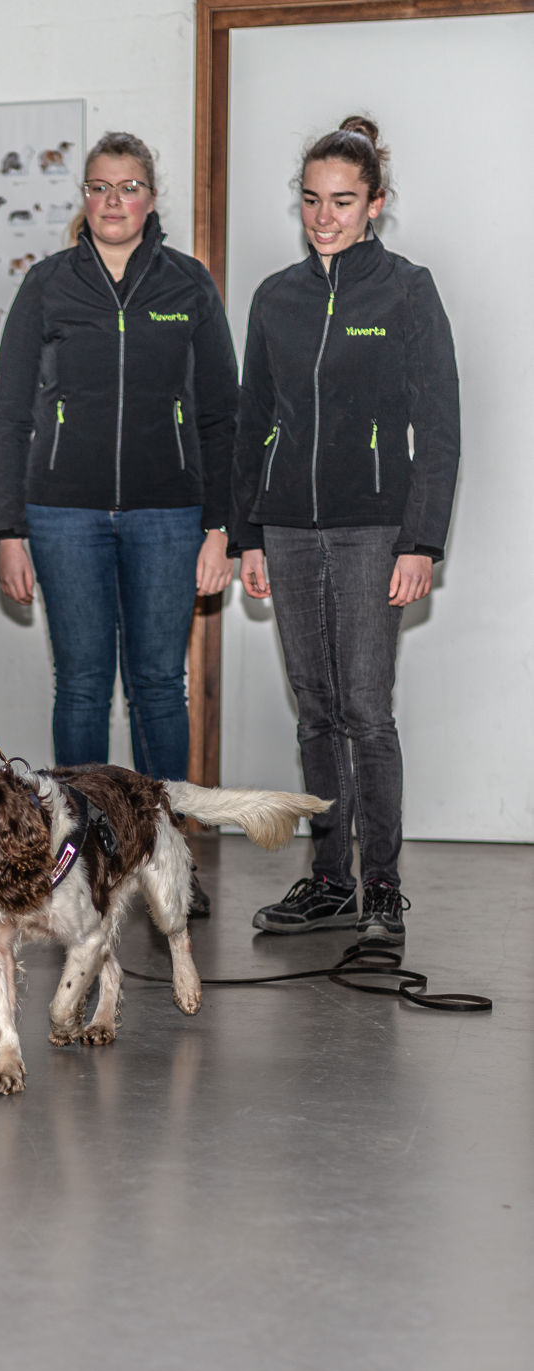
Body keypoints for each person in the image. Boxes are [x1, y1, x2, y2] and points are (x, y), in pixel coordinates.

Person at [0, 130, 238, 914]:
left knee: (161, 688)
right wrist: (8, 530)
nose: (113, 202)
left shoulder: (189, 286)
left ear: (151, 197)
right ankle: (87, 856)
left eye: (128, 187)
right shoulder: (49, 286)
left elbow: (223, 417)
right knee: (84, 686)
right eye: (99, 188)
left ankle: (170, 858)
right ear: (84, 198)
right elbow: (8, 414)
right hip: (63, 515)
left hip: (170, 515)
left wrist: (221, 528)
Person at [233, 117, 459, 942]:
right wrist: (246, 533)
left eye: (343, 201)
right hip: (288, 529)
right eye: (311, 200)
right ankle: (329, 879)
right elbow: (253, 420)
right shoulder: (274, 299)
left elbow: (439, 428)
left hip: (374, 530)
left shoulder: (405, 290)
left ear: (375, 205)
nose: (324, 216)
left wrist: (421, 541)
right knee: (315, 710)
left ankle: (385, 887)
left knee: (367, 710)